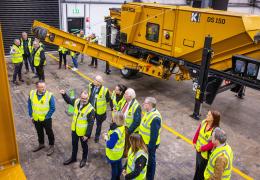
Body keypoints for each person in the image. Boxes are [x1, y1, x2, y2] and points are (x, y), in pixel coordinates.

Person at [60, 89, 95, 168]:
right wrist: (64, 94)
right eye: (82, 98)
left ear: (88, 98)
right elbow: (69, 101)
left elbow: (91, 123)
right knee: (74, 144)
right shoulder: (76, 102)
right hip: (74, 130)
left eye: (86, 98)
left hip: (83, 133)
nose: (84, 100)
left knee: (84, 147)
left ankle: (84, 159)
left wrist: (87, 135)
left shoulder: (90, 109)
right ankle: (73, 158)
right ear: (80, 97)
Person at [28, 81, 55, 156]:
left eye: (44, 86)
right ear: (37, 87)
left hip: (46, 119)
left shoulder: (49, 95)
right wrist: (31, 115)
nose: (44, 88)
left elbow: (53, 108)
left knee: (49, 132)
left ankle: (51, 145)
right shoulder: (32, 93)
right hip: (36, 118)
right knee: (39, 132)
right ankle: (41, 144)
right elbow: (29, 104)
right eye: (41, 87)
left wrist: (47, 117)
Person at [193, 110, 220, 180]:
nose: (206, 116)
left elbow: (212, 143)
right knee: (197, 168)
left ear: (213, 118)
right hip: (198, 150)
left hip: (205, 155)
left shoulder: (216, 130)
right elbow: (198, 132)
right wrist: (194, 141)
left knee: (201, 172)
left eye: (209, 115)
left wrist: (201, 148)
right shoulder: (204, 122)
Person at [139, 97, 162, 180]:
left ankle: (150, 177)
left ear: (149, 105)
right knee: (146, 160)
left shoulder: (155, 118)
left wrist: (149, 148)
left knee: (151, 162)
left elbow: (154, 136)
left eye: (145, 103)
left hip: (150, 144)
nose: (143, 104)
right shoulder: (148, 112)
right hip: (144, 142)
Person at [88, 75, 112, 143]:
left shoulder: (105, 90)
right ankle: (88, 134)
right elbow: (90, 95)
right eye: (94, 79)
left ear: (99, 83)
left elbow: (108, 100)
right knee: (90, 123)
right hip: (91, 109)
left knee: (99, 125)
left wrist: (102, 106)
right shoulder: (91, 85)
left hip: (99, 111)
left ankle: (97, 137)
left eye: (96, 80)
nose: (94, 81)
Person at [104, 111, 125, 180]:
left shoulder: (115, 132)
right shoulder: (122, 126)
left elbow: (110, 145)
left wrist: (106, 138)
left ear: (116, 119)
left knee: (114, 168)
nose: (112, 118)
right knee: (119, 165)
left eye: (113, 117)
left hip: (113, 154)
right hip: (119, 152)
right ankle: (118, 177)